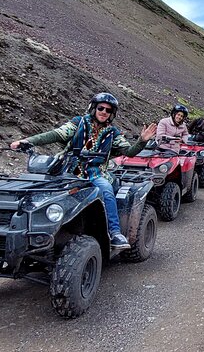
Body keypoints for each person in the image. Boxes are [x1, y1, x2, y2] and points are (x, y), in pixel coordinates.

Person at [10, 92, 157, 249]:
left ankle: (114, 233)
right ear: (93, 108)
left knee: (106, 190)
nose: (104, 112)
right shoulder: (78, 123)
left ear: (111, 114)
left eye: (108, 110)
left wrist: (142, 141)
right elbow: (56, 134)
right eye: (101, 108)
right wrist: (28, 141)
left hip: (95, 172)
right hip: (67, 170)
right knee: (40, 190)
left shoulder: (113, 133)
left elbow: (128, 151)